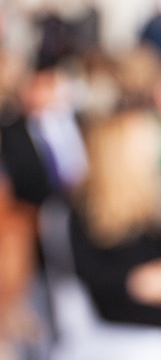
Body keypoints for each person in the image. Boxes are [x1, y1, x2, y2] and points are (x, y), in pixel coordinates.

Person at [69, 110, 161, 326]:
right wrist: (138, 281)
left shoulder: (147, 205)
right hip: (124, 318)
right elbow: (93, 277)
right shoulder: (82, 212)